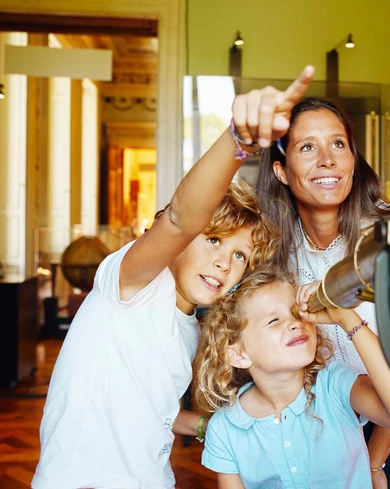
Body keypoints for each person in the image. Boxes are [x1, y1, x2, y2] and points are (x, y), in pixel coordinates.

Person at [32, 66, 315, 489]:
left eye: (240, 255)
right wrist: (238, 141)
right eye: (214, 240)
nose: (225, 263)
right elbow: (182, 219)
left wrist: (213, 426)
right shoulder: (131, 285)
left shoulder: (189, 326)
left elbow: (155, 411)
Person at [255, 97, 390, 488]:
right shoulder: (271, 248)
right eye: (308, 147)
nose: (327, 160)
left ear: (353, 159)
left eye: (338, 144)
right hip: (320, 421)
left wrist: (373, 463)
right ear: (281, 171)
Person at [194, 267, 390, 489]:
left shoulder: (335, 384)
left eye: (296, 313)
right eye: (274, 321)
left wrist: (346, 318)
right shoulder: (224, 429)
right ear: (239, 354)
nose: (295, 323)